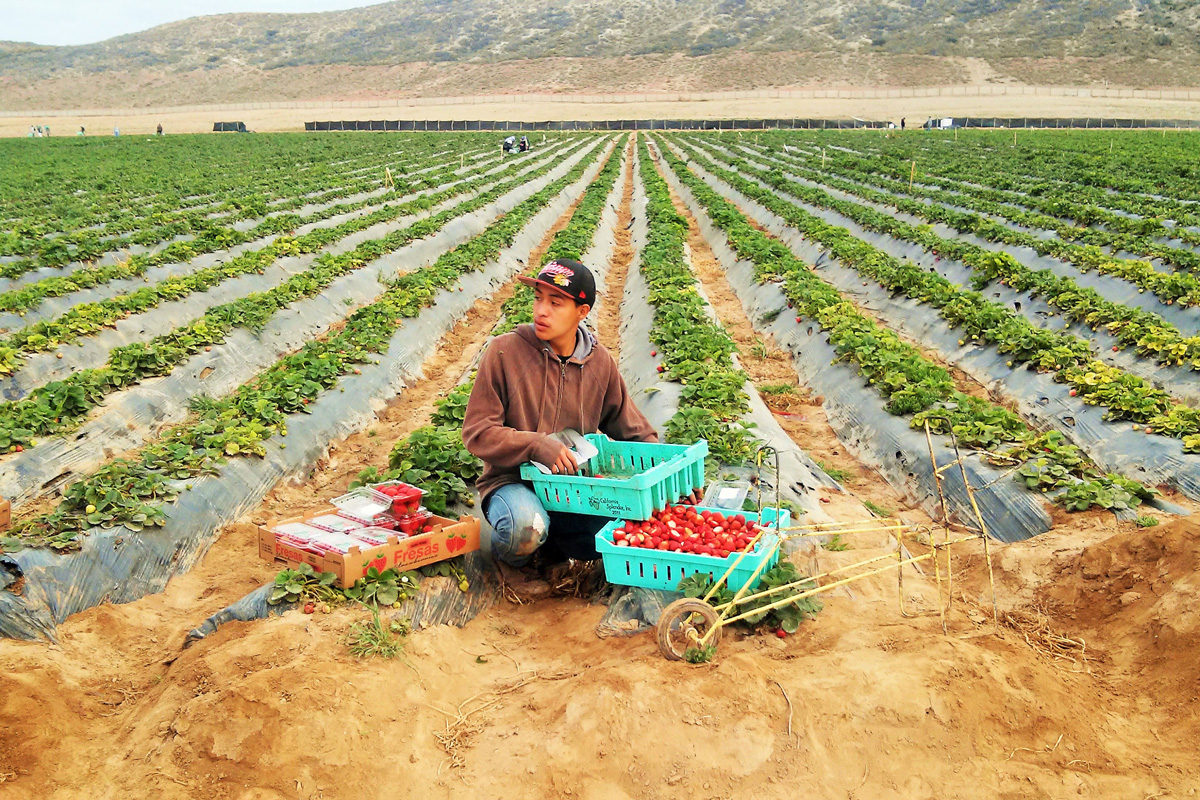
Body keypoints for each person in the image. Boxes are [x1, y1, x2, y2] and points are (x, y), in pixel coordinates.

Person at [462, 259, 660, 597]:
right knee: (523, 527)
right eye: (539, 298)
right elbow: (477, 432)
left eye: (555, 303)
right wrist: (536, 445)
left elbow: (633, 429)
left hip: (574, 490)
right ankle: (513, 562)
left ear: (582, 311)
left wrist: (665, 477)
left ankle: (553, 552)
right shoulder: (504, 352)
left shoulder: (599, 364)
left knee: (632, 529)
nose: (542, 310)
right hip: (512, 482)